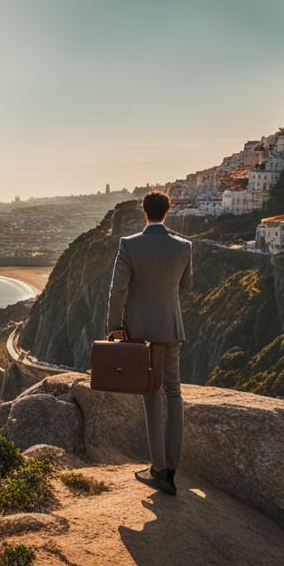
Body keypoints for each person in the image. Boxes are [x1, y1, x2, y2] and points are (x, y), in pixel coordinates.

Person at [106, 190, 191, 496]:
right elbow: (186, 285)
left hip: (140, 330)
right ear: (167, 212)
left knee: (151, 395)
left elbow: (118, 289)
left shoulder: (129, 245)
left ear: (144, 211)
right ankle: (171, 471)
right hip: (171, 327)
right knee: (174, 393)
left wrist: (114, 325)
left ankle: (157, 470)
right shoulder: (184, 246)